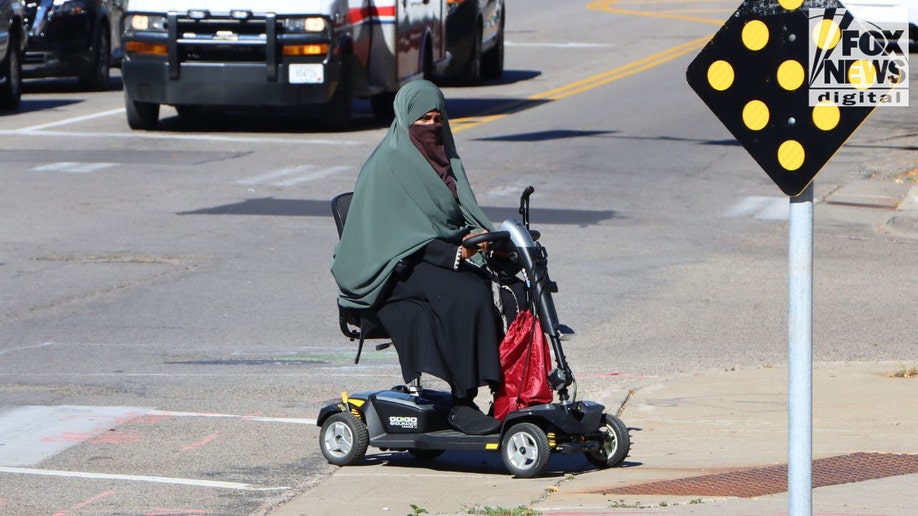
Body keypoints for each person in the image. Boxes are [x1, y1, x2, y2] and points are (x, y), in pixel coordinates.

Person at [331, 80, 511, 435]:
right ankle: (462, 401)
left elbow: (457, 216)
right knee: (464, 294)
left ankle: (504, 391)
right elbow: (400, 237)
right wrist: (455, 252)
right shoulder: (387, 164)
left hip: (430, 256)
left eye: (437, 118)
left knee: (487, 285)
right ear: (405, 120)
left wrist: (479, 240)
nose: (432, 127)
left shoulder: (446, 160)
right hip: (390, 268)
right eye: (423, 120)